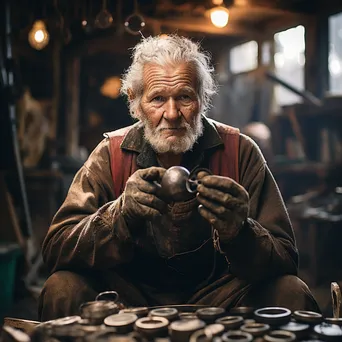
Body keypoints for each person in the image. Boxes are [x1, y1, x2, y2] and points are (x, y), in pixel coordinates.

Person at [39, 35, 319, 320]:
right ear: (135, 103)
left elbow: (286, 259)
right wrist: (118, 216)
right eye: (158, 98)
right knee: (62, 288)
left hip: (221, 297)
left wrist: (240, 232)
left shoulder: (240, 151)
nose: (172, 114)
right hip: (129, 299)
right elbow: (56, 249)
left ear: (202, 99)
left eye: (184, 97)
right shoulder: (110, 155)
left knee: (290, 291)